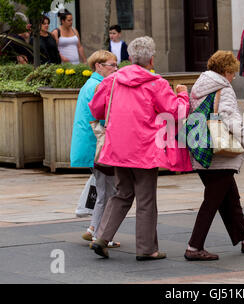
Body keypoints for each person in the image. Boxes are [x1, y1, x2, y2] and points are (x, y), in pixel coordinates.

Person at [88, 36, 192, 260]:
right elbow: (176, 112)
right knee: (145, 199)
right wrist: (183, 95)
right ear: (151, 60)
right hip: (145, 149)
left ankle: (101, 237)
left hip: (117, 147)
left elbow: (96, 110)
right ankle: (146, 249)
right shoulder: (156, 83)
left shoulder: (113, 80)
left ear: (130, 58)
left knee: (122, 193)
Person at [184, 50, 244, 261]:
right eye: (233, 73)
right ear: (226, 71)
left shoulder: (199, 86)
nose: (233, 77)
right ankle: (194, 247)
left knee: (231, 199)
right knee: (212, 202)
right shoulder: (224, 89)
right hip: (221, 155)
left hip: (202, 152)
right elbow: (230, 120)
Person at [70, 50, 120, 248]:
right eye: (111, 65)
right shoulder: (99, 85)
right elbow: (103, 117)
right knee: (107, 192)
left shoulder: (90, 84)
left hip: (90, 145)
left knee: (105, 190)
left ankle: (94, 229)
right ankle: (99, 234)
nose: (115, 69)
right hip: (97, 146)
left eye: (116, 65)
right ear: (98, 66)